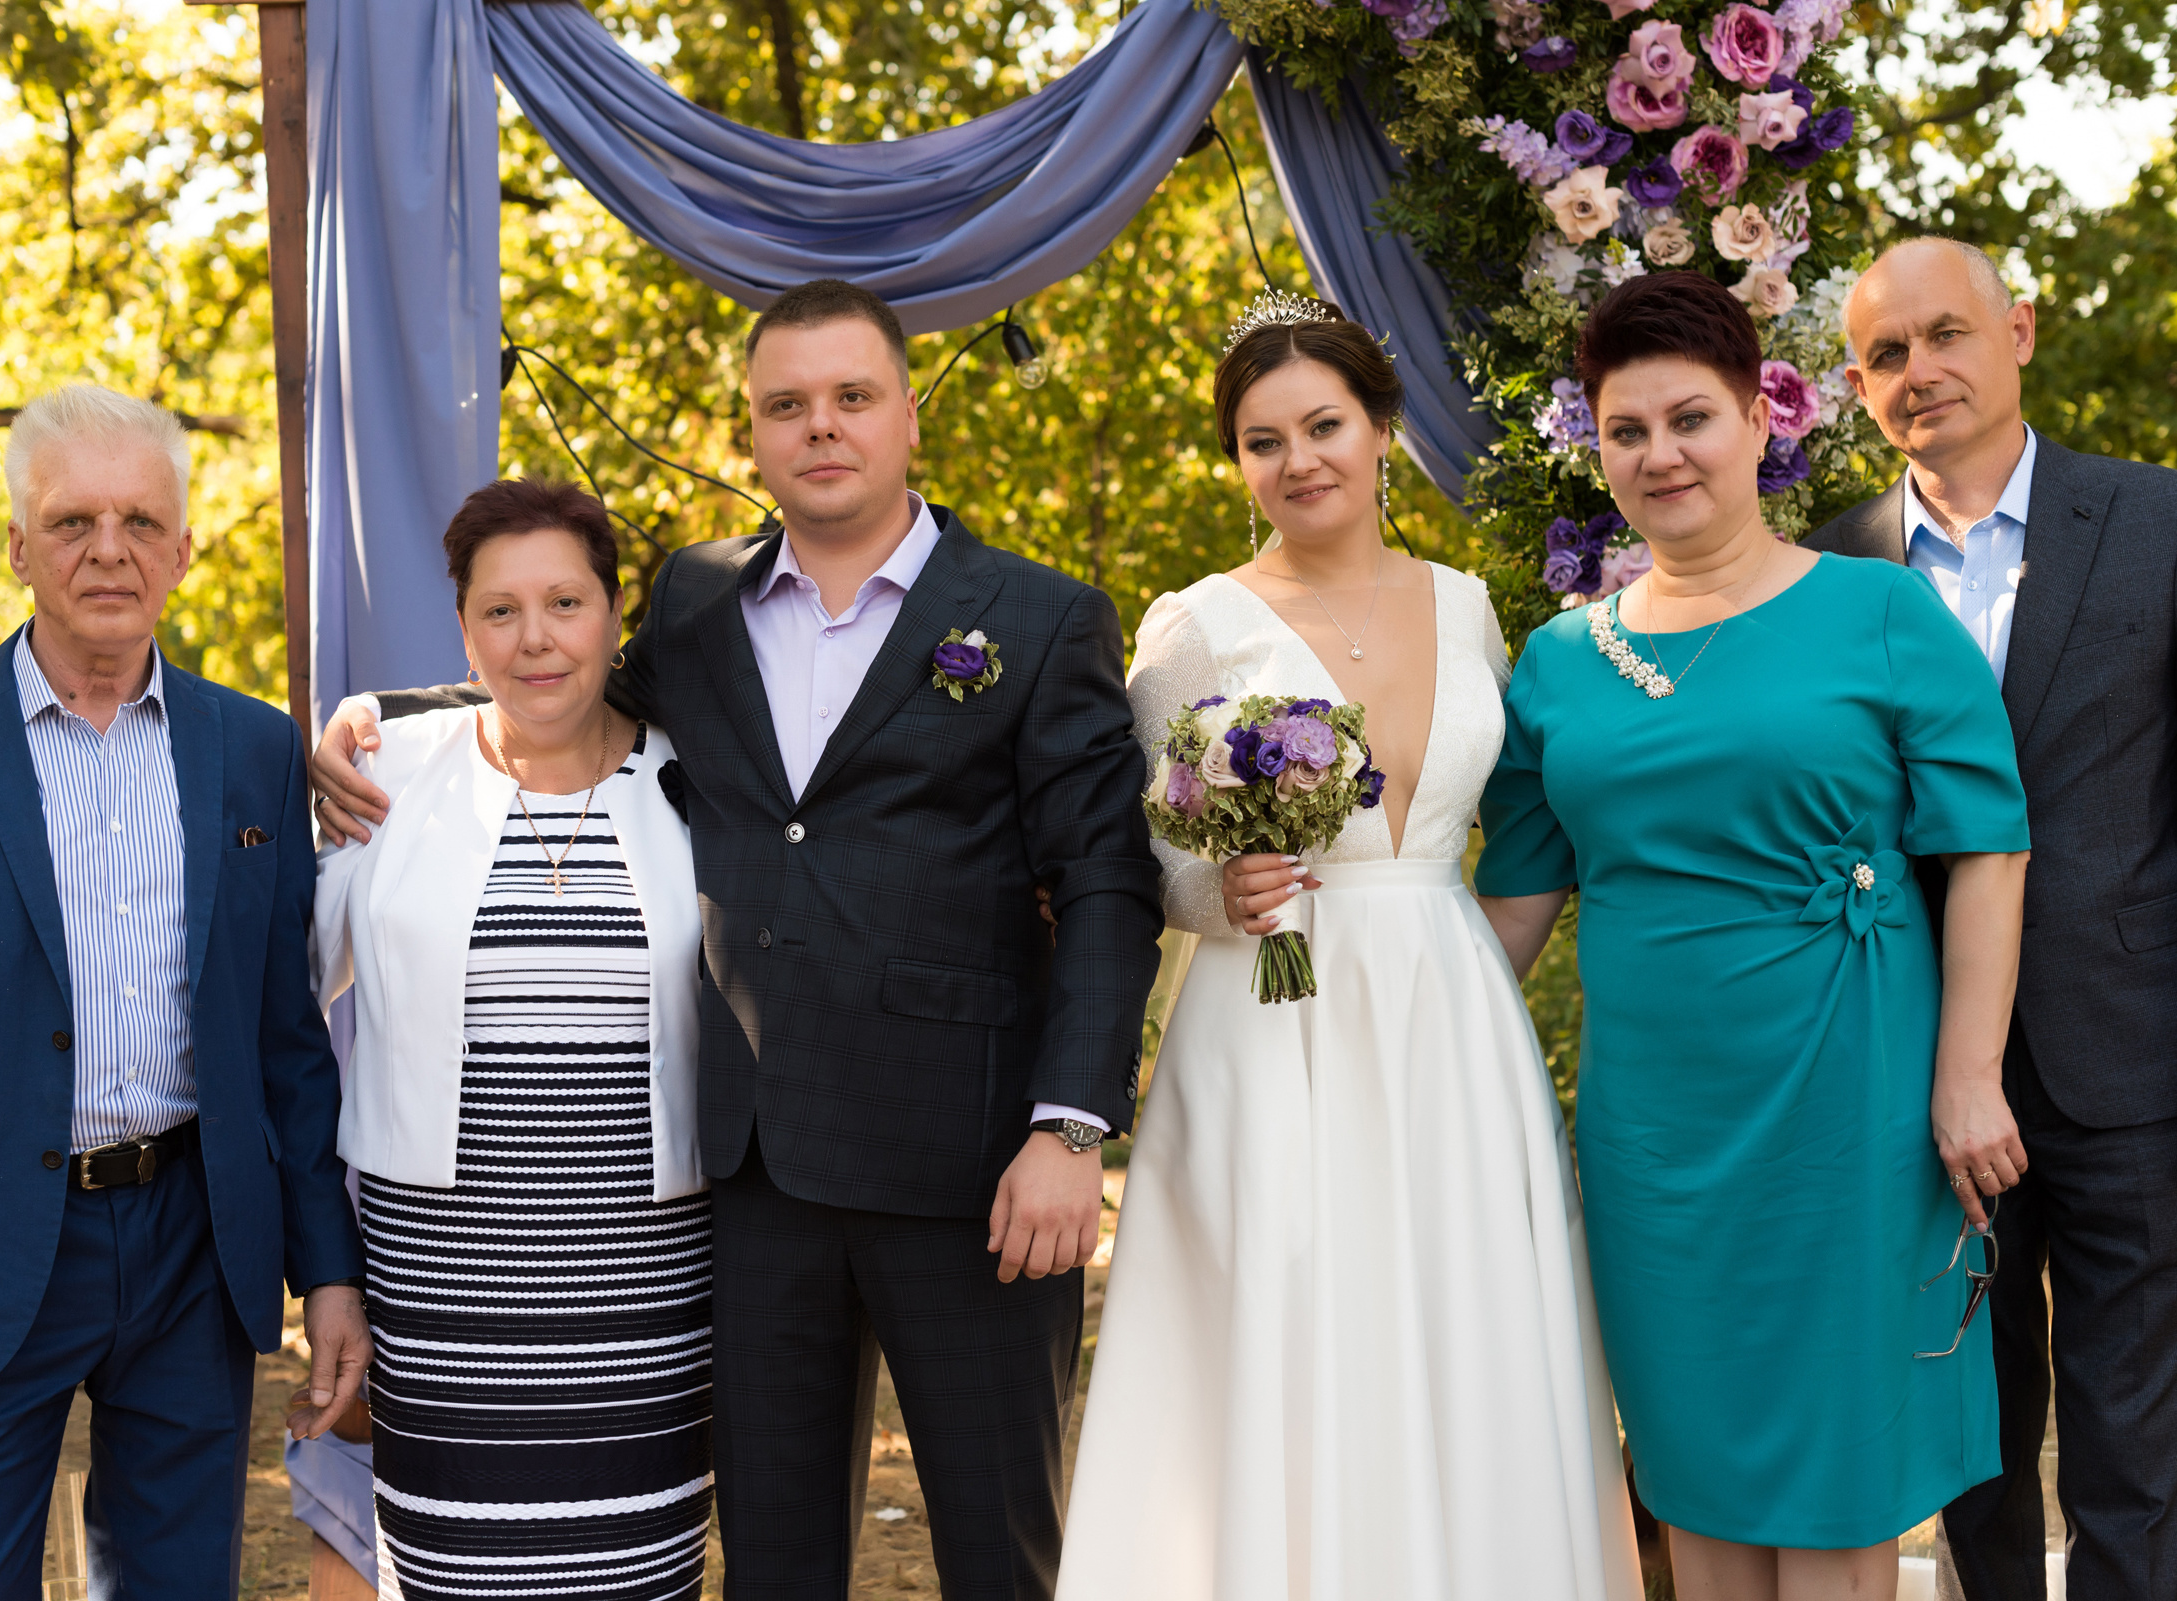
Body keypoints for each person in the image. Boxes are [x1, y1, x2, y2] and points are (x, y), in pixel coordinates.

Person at [309, 279, 1164, 1598]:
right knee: (773, 1561)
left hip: (977, 1175)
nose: (821, 426)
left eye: (852, 398)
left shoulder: (1041, 618)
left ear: (905, 418)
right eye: (787, 406)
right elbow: (563, 686)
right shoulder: (697, 601)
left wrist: (1069, 1129)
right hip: (755, 1183)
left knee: (1002, 1553)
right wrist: (382, 722)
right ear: (754, 435)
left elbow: (1105, 879)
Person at [1054, 291, 1642, 1600]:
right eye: (1263, 440)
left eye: (1323, 423)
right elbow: (1152, 862)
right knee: (1292, 1318)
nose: (1298, 459)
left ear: (1381, 428)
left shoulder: (1470, 610)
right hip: (1273, 1014)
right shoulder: (1192, 624)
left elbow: (1522, 831)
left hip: (1446, 1016)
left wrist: (1485, 982)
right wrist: (1228, 889)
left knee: (1456, 1319)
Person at [1474, 271, 2032, 1601]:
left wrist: (1967, 1076)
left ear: (1757, 422)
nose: (1661, 454)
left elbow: (1991, 848)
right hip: (1654, 1132)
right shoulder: (1558, 661)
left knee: (1837, 1484)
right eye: (1627, 430)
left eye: (1691, 419)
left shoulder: (1882, 609)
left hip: (1850, 1101)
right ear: (1598, 449)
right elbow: (1507, 913)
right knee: (1692, 1474)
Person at [0, 384, 367, 1596]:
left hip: (191, 1246)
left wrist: (329, 1269)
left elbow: (288, 1042)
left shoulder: (257, 748)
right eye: (71, 521)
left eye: (137, 520)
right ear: (17, 547)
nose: (107, 549)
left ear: (181, 546)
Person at [1805, 237, 2177, 1601]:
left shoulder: (2171, 524)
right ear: (1857, 388)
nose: (1922, 371)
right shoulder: (1824, 573)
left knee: (2137, 1444)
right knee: (1964, 1437)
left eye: (1948, 334)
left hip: (2134, 1058)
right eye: (1886, 355)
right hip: (1914, 1071)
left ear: (2019, 331)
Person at [311, 478, 711, 1598]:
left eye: (565, 603)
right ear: (464, 627)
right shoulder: (378, 769)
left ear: (614, 612)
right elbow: (288, 996)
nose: (535, 638)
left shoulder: (702, 777)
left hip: (642, 1288)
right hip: (444, 1292)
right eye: (500, 610)